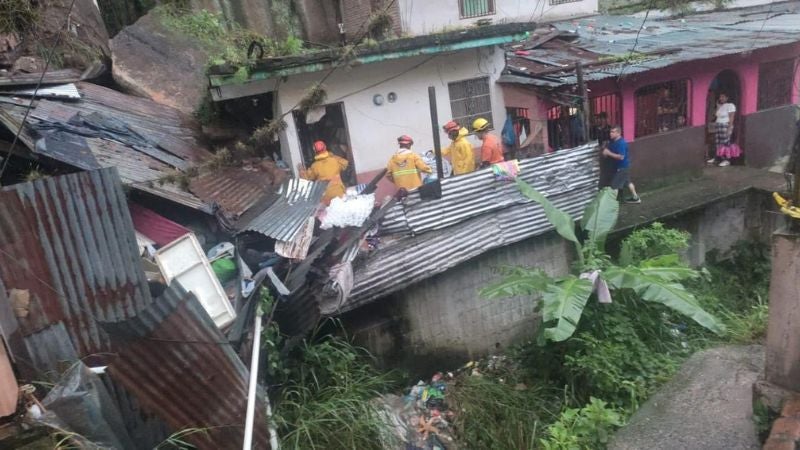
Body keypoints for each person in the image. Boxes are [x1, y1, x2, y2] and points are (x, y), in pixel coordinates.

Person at [298, 140, 349, 205]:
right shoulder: (335, 160)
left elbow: (306, 178)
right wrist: (331, 155)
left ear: (315, 151)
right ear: (325, 148)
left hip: (325, 197)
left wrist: (301, 170)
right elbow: (345, 164)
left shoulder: (315, 166)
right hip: (339, 194)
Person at [602, 126, 641, 204]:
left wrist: (608, 153)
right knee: (628, 182)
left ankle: (612, 205)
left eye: (613, 132)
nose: (610, 133)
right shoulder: (613, 142)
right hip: (623, 167)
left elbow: (621, 157)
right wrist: (605, 150)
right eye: (610, 132)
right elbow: (608, 150)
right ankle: (636, 198)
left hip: (622, 168)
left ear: (618, 133)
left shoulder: (621, 143)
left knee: (614, 186)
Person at [708, 92, 739, 167]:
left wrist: (729, 128)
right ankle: (717, 157)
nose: (721, 98)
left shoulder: (730, 105)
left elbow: (731, 117)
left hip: (725, 125)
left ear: (727, 98)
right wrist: (718, 107)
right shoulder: (720, 106)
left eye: (723, 97)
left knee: (725, 143)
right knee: (718, 142)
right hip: (718, 125)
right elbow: (715, 115)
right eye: (720, 97)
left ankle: (726, 159)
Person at [593, 113, 614, 188]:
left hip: (608, 152)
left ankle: (610, 186)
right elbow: (592, 140)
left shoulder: (609, 128)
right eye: (600, 118)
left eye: (603, 118)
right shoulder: (594, 129)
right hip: (598, 151)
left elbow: (612, 139)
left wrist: (607, 143)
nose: (602, 120)